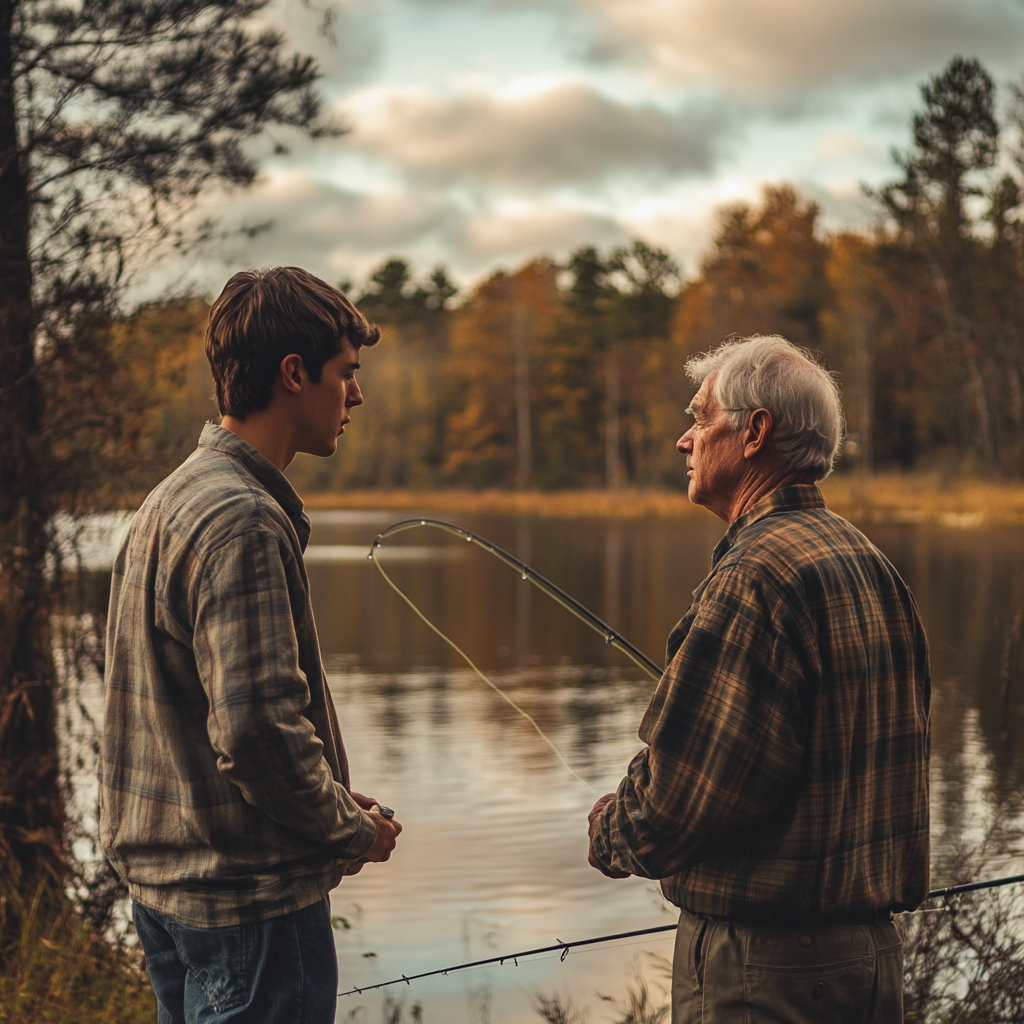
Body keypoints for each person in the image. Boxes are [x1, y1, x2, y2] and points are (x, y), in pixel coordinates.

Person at [587, 335, 930, 1024]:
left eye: (700, 418)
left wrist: (610, 831)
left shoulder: (753, 578)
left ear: (755, 433)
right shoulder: (868, 562)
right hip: (870, 962)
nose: (684, 440)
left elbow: (679, 800)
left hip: (766, 972)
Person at [99, 267, 402, 1024]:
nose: (356, 396)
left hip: (174, 900)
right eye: (346, 374)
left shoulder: (171, 498)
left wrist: (326, 797)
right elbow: (257, 734)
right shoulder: (241, 520)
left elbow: (215, 723)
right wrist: (350, 830)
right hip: (249, 912)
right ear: (293, 374)